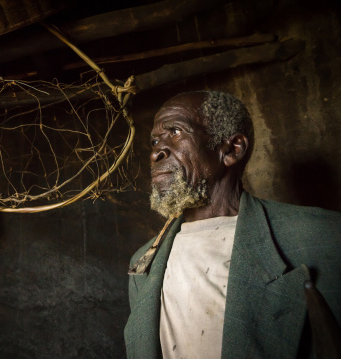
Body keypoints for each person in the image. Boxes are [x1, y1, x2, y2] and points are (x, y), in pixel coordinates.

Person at [124, 91, 341, 359]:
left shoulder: (324, 237)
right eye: (155, 140)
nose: (156, 151)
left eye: (176, 132)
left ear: (232, 149)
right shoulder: (143, 266)